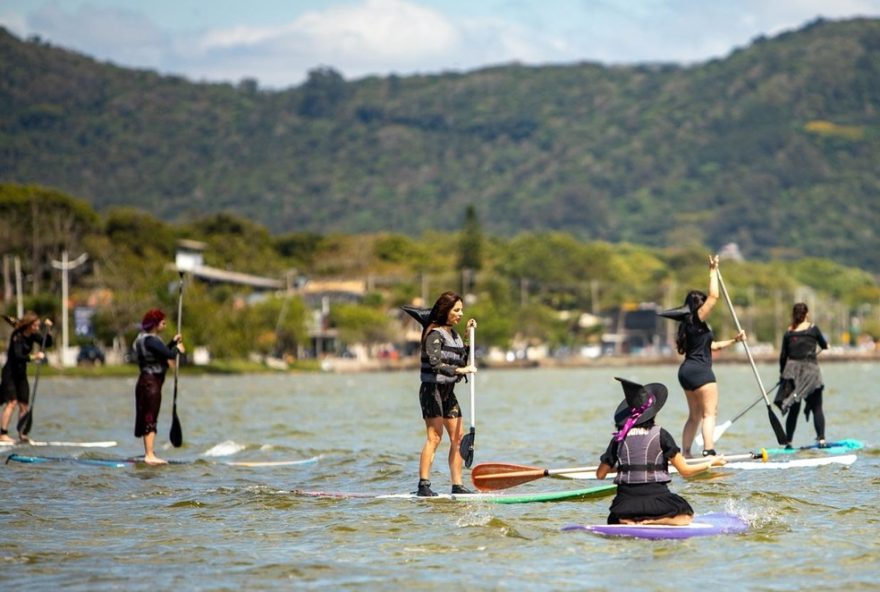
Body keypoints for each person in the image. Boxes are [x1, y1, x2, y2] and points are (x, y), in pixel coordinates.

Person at [595, 377, 726, 525]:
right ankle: (651, 521)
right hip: (656, 498)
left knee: (614, 519)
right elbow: (685, 471)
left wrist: (626, 468)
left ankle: (630, 521)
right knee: (687, 517)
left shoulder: (617, 439)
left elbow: (600, 475)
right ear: (653, 413)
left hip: (624, 504)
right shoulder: (661, 435)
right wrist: (711, 462)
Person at [659, 255, 745, 457]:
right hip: (701, 373)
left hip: (686, 372)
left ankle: (686, 453)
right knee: (709, 413)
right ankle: (709, 451)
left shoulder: (689, 326)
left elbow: (711, 346)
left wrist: (734, 341)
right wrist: (713, 270)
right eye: (704, 304)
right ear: (698, 305)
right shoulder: (696, 319)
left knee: (694, 416)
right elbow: (714, 296)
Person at [402, 291, 477, 496]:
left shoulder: (454, 336)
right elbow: (435, 364)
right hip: (431, 390)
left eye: (461, 310)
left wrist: (468, 337)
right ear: (445, 311)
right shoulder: (434, 334)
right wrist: (462, 371)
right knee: (435, 438)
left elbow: (460, 361)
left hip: (448, 391)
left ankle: (457, 485)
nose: (460, 314)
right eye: (456, 310)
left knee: (459, 438)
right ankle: (423, 485)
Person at [133, 308, 184, 465]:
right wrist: (178, 349)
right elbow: (169, 354)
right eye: (163, 322)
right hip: (151, 385)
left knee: (147, 417)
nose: (165, 324)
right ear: (155, 324)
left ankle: (149, 452)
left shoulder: (144, 339)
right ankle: (149, 455)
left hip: (145, 382)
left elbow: (162, 351)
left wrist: (173, 343)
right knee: (150, 418)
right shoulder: (151, 340)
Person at [775, 303, 829, 448]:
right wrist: (826, 346)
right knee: (817, 407)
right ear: (807, 314)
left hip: (792, 374)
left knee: (794, 409)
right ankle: (822, 439)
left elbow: (783, 356)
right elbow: (824, 345)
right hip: (811, 373)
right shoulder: (813, 329)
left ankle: (788, 442)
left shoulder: (789, 332)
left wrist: (782, 376)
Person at [0, 312, 53, 443]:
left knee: (24, 405)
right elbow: (18, 356)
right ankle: (3, 434)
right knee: (12, 403)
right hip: (10, 373)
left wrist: (48, 330)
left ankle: (22, 433)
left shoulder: (33, 335)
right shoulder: (17, 336)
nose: (37, 328)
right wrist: (34, 357)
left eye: (38, 326)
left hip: (21, 374)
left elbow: (47, 343)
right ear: (29, 325)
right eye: (35, 325)